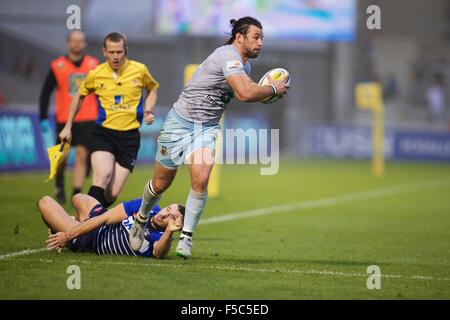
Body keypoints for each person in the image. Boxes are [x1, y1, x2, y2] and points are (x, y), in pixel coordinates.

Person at [129, 17, 289, 259]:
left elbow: (250, 91)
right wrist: (274, 89)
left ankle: (186, 239)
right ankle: (141, 219)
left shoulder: (244, 67)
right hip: (179, 123)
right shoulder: (227, 55)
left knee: (201, 178)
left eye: (262, 38)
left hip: (206, 128)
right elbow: (246, 93)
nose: (260, 43)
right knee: (160, 184)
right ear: (239, 38)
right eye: (256, 37)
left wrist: (267, 92)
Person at [59, 32, 160, 208]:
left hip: (129, 138)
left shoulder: (139, 70)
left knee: (112, 193)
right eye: (111, 52)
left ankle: (90, 221)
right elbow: (79, 96)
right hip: (103, 133)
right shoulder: (96, 74)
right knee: (102, 176)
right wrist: (68, 126)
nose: (115, 56)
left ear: (125, 50)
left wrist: (148, 109)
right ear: (104, 51)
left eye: (119, 52)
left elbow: (152, 89)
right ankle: (82, 223)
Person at [39, 30, 99, 204]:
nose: (77, 44)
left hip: (88, 118)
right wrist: (43, 117)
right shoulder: (57, 66)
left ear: (84, 43)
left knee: (81, 155)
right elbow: (45, 92)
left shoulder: (93, 64)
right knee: (63, 157)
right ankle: (59, 183)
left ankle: (76, 193)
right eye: (74, 41)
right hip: (65, 120)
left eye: (81, 41)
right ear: (68, 43)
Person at [38, 193, 184, 258]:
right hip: (100, 219)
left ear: (176, 226)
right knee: (78, 198)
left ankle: (70, 231)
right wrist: (69, 232)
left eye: (172, 217)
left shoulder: (159, 237)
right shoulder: (146, 206)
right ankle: (74, 224)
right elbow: (105, 217)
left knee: (45, 202)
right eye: (168, 209)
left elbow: (158, 253)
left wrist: (68, 236)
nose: (165, 214)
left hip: (90, 240)